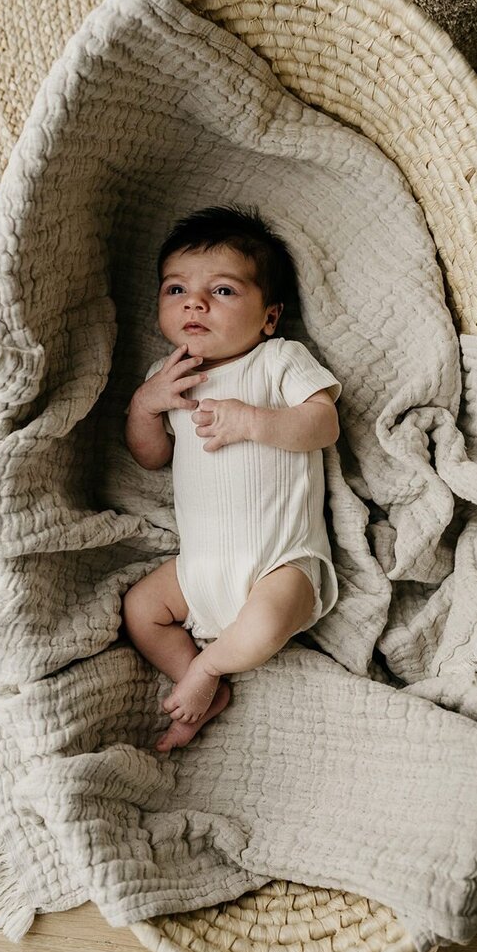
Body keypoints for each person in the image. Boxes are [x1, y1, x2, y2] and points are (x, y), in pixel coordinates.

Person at [122, 204, 342, 753]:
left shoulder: (278, 360)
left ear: (269, 316)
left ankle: (207, 671)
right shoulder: (166, 378)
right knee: (140, 610)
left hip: (279, 559)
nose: (194, 302)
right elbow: (150, 458)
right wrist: (144, 407)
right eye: (176, 290)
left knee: (266, 623)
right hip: (197, 570)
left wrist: (253, 420)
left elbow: (323, 423)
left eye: (222, 291)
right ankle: (191, 670)